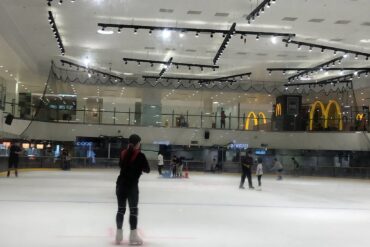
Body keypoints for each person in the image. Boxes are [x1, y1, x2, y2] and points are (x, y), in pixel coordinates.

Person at [115, 134, 150, 245]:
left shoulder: (123, 153)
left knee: (121, 210)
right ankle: (133, 236)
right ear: (138, 143)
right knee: (133, 211)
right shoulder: (140, 155)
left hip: (120, 185)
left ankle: (118, 234)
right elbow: (147, 169)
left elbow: (121, 165)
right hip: (131, 187)